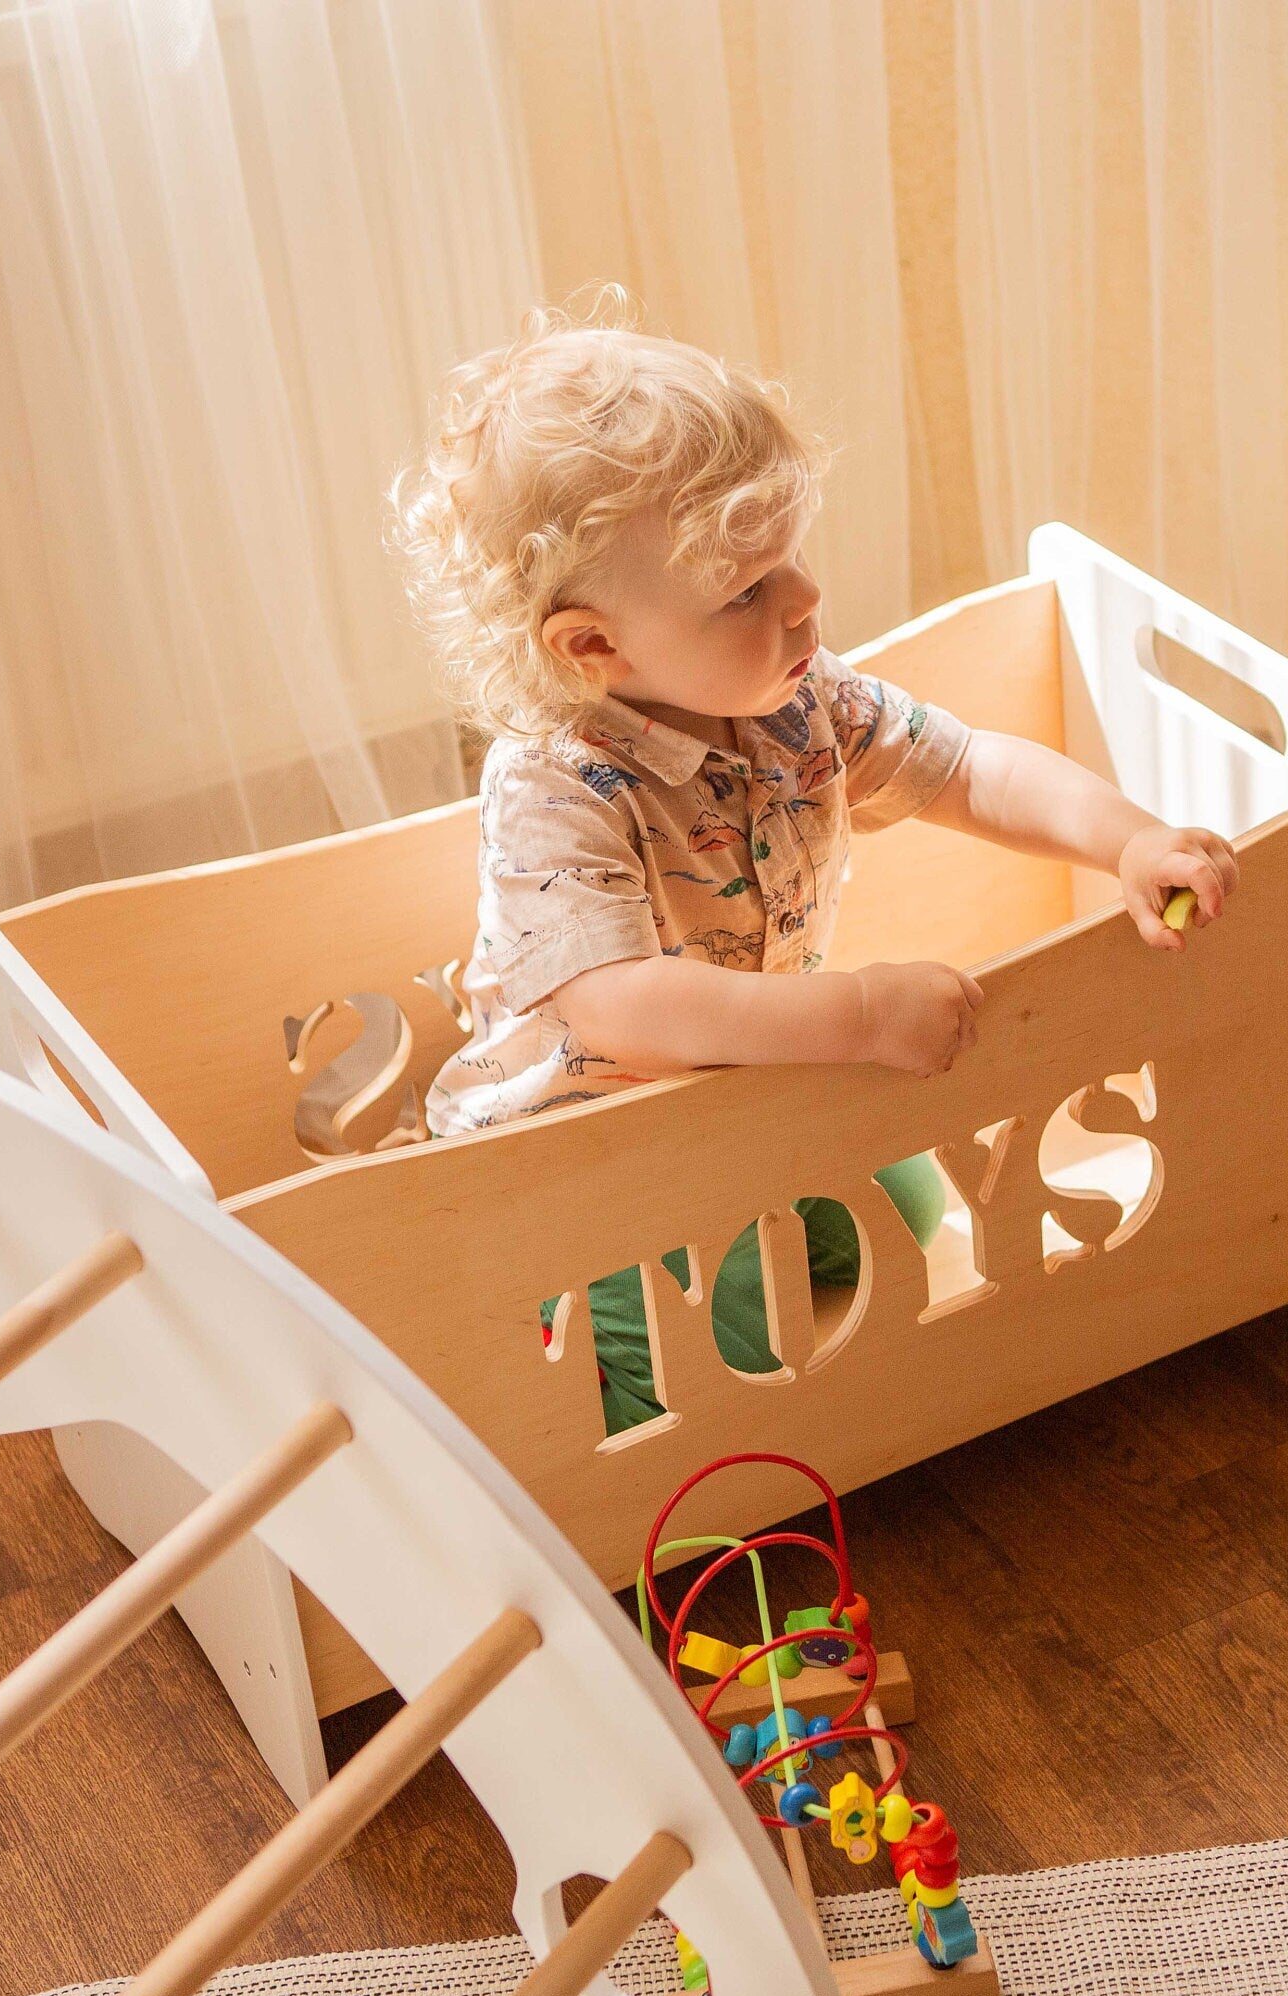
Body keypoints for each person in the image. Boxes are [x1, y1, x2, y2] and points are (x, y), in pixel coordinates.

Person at [391, 296, 1237, 1433]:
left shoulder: (796, 698)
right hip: (577, 1175)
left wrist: (1128, 838)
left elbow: (971, 769)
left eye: (791, 560)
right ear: (594, 648)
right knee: (703, 1354)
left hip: (743, 1100)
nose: (804, 602)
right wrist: (855, 1015)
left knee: (901, 1193)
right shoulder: (553, 786)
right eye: (746, 592)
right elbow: (624, 1009)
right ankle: (596, 1401)